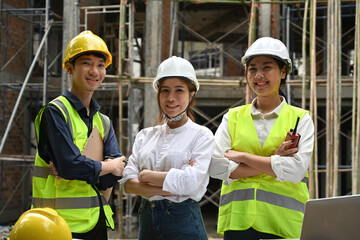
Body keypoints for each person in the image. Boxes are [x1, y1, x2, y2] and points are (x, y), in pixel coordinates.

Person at [209, 37, 315, 240]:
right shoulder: (232, 117)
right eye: (252, 69)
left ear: (283, 71)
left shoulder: (301, 119)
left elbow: (295, 171)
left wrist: (242, 157)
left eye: (267, 67)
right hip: (238, 224)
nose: (258, 75)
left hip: (283, 223)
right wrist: (275, 159)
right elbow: (215, 167)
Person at [32, 30, 126, 240]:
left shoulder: (104, 122)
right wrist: (106, 165)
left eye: (100, 65)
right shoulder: (55, 112)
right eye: (86, 63)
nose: (95, 71)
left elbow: (115, 173)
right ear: (69, 68)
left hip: (97, 222)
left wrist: (82, 167)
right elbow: (69, 165)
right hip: (55, 226)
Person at [120, 56, 214, 240]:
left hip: (184, 221)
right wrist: (176, 185)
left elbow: (191, 183)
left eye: (179, 90)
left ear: (191, 93)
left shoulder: (202, 136)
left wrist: (146, 177)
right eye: (165, 91)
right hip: (147, 222)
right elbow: (129, 184)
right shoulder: (145, 136)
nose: (171, 98)